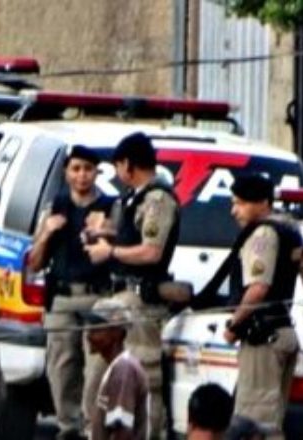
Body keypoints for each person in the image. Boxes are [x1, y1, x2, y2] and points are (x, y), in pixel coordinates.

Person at [85, 132, 180, 437]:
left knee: (142, 378)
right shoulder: (134, 197)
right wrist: (104, 234)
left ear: (128, 164)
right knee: (99, 375)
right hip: (119, 300)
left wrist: (110, 251)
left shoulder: (157, 200)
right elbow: (133, 235)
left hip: (141, 305)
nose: (117, 174)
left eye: (117, 166)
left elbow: (152, 252)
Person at [28, 145, 115, 440]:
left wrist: (105, 232)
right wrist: (47, 233)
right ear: (66, 172)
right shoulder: (55, 207)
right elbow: (34, 263)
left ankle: (93, 428)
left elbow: (120, 244)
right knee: (62, 368)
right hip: (63, 299)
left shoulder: (110, 206)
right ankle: (68, 428)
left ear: (97, 172)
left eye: (88, 169)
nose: (82, 176)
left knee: (96, 371)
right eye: (76, 169)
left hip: (98, 297)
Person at [214, 173, 303, 438]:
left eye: (240, 203)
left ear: (263, 203)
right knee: (271, 423)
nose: (234, 211)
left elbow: (258, 288)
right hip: (282, 331)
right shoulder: (289, 230)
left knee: (252, 423)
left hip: (263, 337)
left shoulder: (262, 234)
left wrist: (233, 325)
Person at [79, 297, 149, 440]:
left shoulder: (124, 371)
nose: (88, 334)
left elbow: (123, 430)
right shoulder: (118, 367)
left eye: (96, 328)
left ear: (116, 333)